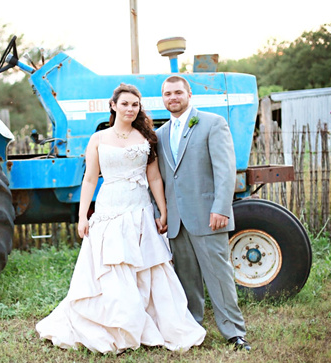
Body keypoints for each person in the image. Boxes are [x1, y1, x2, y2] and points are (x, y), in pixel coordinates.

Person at [35, 83, 206, 354]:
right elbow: (90, 179)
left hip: (139, 210)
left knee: (148, 265)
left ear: (139, 108)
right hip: (109, 209)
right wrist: (83, 216)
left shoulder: (147, 138)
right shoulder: (99, 139)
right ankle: (118, 325)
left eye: (135, 104)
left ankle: (155, 324)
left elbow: (154, 178)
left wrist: (162, 211)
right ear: (113, 106)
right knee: (113, 266)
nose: (130, 108)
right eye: (125, 103)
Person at [154, 75, 251, 352]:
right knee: (187, 280)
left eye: (177, 92)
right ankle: (193, 329)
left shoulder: (212, 123)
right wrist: (163, 213)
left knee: (219, 276)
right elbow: (159, 177)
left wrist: (221, 207)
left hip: (209, 215)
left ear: (189, 94)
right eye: (167, 94)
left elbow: (225, 169)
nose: (173, 98)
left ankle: (234, 333)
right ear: (163, 98)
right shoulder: (160, 134)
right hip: (176, 222)